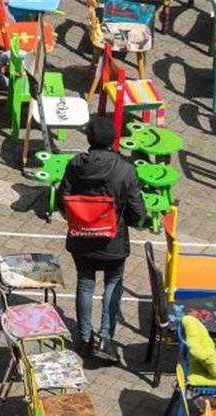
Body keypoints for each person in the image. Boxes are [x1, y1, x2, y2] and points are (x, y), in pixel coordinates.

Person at [59, 116, 146, 362]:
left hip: (82, 239)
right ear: (113, 140)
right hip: (113, 241)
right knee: (113, 282)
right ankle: (105, 339)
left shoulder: (75, 164)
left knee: (85, 283)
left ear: (88, 139)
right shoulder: (125, 169)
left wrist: (80, 218)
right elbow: (137, 210)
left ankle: (84, 339)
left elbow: (63, 201)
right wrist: (125, 220)